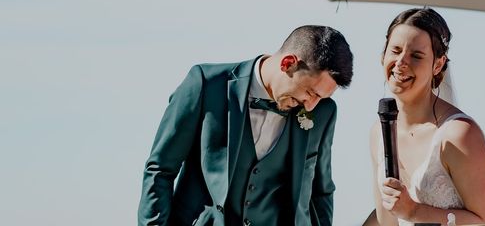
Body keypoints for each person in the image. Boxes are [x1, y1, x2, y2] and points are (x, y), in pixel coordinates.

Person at [138, 25, 354, 226]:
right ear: (288, 63)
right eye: (310, 92)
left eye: (322, 97)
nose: (311, 105)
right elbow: (161, 170)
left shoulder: (324, 113)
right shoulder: (206, 84)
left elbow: (321, 192)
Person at [369, 8, 485, 225]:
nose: (401, 62)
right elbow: (386, 219)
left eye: (416, 55)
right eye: (395, 50)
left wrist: (413, 211)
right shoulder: (379, 132)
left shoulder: (458, 134)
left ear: (438, 65)